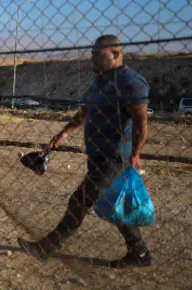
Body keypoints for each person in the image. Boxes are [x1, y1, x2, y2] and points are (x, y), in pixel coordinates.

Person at [18, 35, 153, 268]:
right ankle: (139, 253)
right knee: (113, 201)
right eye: (92, 53)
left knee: (78, 202)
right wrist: (64, 132)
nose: (92, 58)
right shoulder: (100, 81)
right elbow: (86, 110)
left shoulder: (130, 82)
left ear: (116, 54)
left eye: (97, 54)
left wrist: (136, 153)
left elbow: (141, 122)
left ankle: (45, 248)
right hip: (98, 155)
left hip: (114, 158)